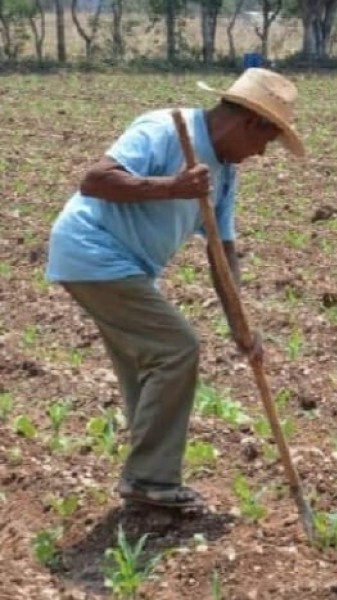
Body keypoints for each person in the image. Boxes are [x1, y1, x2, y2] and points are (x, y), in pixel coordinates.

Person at [46, 68, 305, 510]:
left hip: (123, 266)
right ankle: (151, 479)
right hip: (93, 249)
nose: (262, 153)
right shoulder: (164, 129)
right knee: (177, 349)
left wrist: (241, 326)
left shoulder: (224, 172)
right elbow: (95, 180)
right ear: (250, 123)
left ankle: (146, 479)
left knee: (147, 362)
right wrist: (172, 187)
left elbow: (222, 254)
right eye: (266, 140)